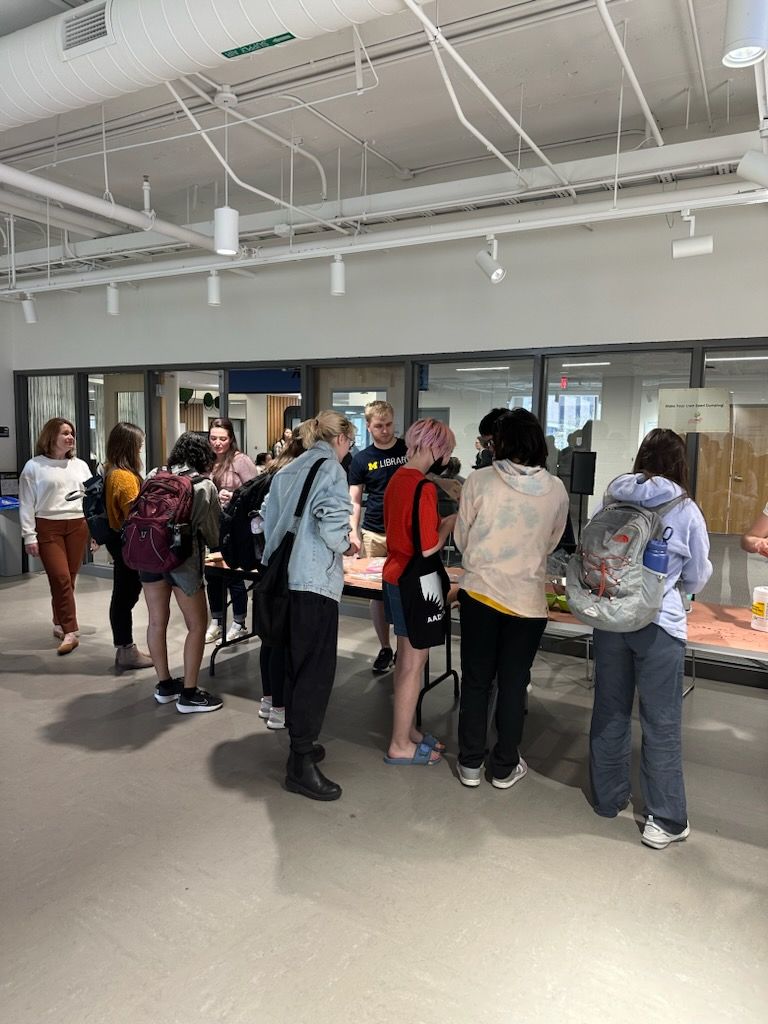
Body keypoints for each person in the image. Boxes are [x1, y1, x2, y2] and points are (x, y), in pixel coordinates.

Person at [589, 428, 712, 850]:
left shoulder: (613, 497)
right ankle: (665, 820)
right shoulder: (685, 508)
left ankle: (608, 799)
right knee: (660, 723)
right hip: (659, 624)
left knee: (609, 711)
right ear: (679, 465)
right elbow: (696, 574)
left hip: (609, 620)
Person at [455, 409, 569, 788]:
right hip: (526, 599)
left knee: (475, 681)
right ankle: (503, 766)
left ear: (501, 443)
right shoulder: (556, 490)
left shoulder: (479, 480)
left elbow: (461, 538)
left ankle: (470, 764)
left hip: (481, 593)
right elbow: (552, 542)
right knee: (513, 682)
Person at [262, 412, 358, 801]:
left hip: (283, 580)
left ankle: (300, 747)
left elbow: (268, 519)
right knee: (315, 672)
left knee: (293, 665)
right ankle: (301, 763)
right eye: (350, 442)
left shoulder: (289, 467)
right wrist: (349, 545)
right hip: (313, 582)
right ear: (342, 439)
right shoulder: (331, 469)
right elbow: (334, 525)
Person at [381, 418, 457, 766]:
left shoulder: (397, 478)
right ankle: (400, 743)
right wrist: (450, 522)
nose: (447, 456)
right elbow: (428, 548)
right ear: (436, 446)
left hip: (395, 575)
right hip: (417, 581)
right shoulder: (423, 487)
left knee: (407, 660)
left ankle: (407, 730)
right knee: (413, 663)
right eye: (447, 449)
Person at [140, 432, 223, 713]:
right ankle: (189, 693)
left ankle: (164, 686)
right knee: (198, 625)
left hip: (149, 555)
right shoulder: (204, 485)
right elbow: (212, 535)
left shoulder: (154, 474)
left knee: (155, 622)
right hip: (183, 561)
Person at [19, 417, 92, 655]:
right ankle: (71, 631)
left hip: (77, 525)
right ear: (51, 437)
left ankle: (58, 622)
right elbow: (26, 503)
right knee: (60, 578)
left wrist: (94, 530)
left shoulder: (80, 465)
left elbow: (90, 499)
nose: (70, 437)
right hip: (48, 526)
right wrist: (29, 535)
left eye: (72, 433)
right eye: (65, 433)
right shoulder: (34, 466)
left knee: (69, 579)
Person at [348, 400, 408, 674]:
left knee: (407, 590)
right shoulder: (361, 459)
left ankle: (406, 648)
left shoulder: (408, 450)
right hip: (374, 531)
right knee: (378, 594)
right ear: (369, 426)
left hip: (406, 532)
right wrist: (354, 531)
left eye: (388, 425)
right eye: (378, 426)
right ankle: (385, 648)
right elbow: (356, 500)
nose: (385, 431)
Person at [254, 433, 306, 732]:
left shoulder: (275, 472)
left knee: (270, 638)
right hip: (286, 566)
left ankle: (269, 698)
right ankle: (279, 708)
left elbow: (262, 518)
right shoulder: (296, 477)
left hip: (267, 563)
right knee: (284, 639)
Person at [103, 421, 153, 671]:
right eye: (139, 445)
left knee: (123, 595)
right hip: (129, 544)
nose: (141, 450)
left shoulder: (112, 471)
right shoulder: (123, 477)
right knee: (125, 596)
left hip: (120, 542)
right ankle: (126, 649)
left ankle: (125, 648)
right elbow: (136, 513)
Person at [204, 418, 258, 644]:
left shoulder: (240, 461)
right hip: (211, 525)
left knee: (233, 575)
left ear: (231, 439)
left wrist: (233, 496)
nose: (217, 443)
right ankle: (216, 620)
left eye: (222, 439)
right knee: (212, 574)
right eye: (213, 438)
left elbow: (256, 492)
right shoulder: (206, 461)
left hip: (235, 528)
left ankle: (239, 622)